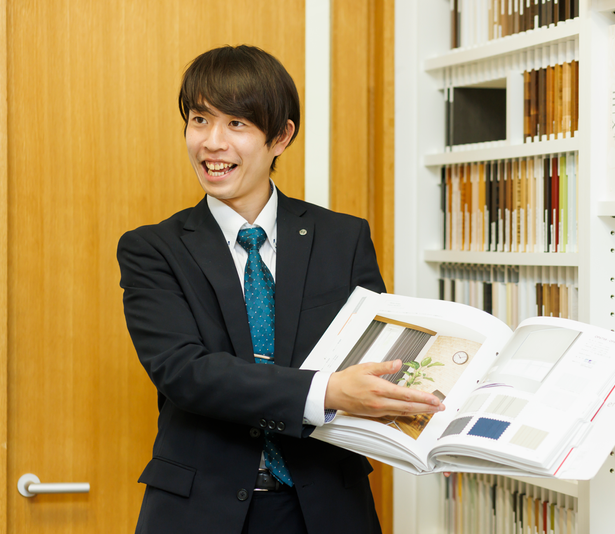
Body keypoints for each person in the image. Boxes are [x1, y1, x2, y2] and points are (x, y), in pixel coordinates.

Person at [117, 45, 444, 534]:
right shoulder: (153, 249)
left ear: (281, 137)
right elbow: (185, 372)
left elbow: (374, 357)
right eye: (200, 120)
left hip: (327, 508)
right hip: (200, 512)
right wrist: (327, 391)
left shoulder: (343, 238)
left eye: (236, 124)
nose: (212, 143)